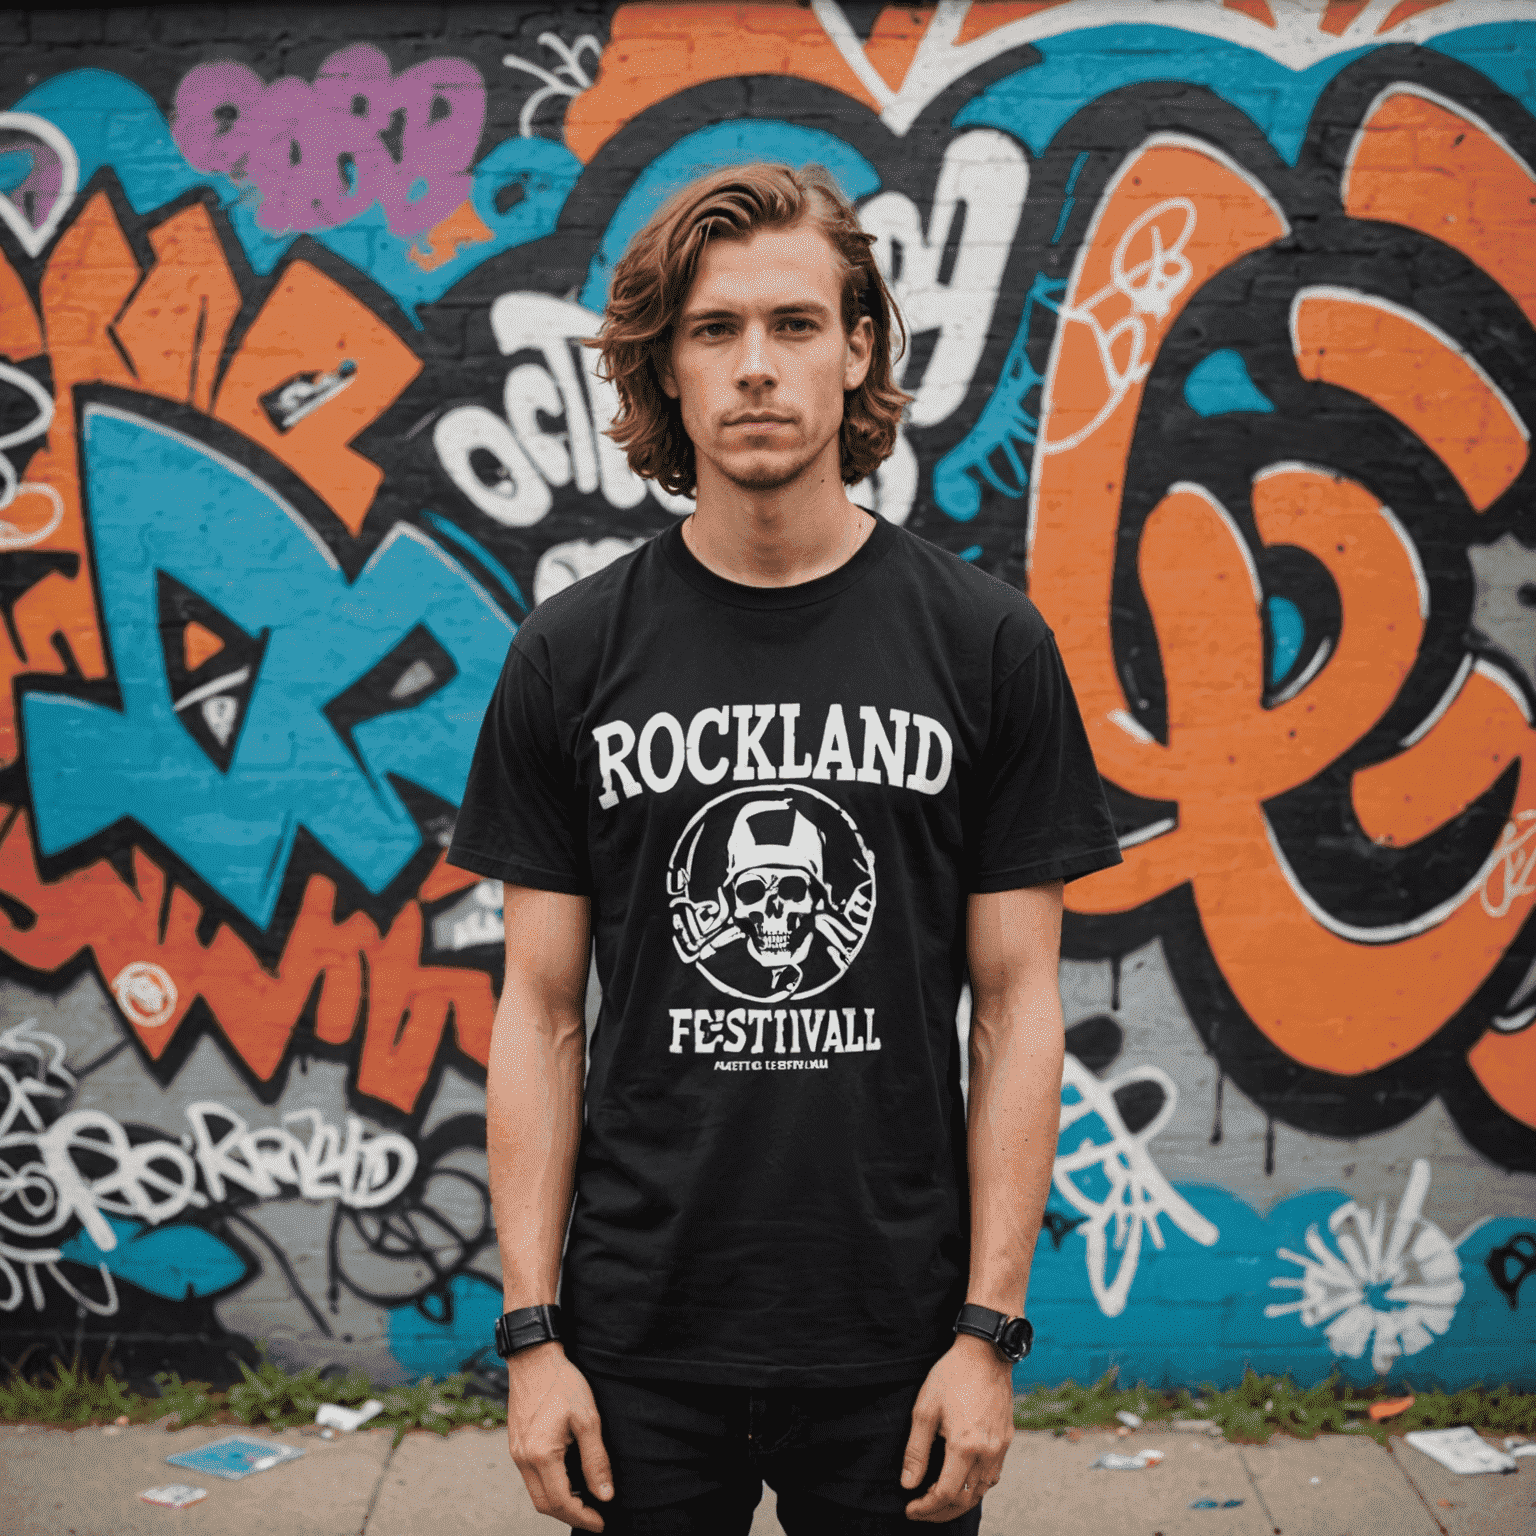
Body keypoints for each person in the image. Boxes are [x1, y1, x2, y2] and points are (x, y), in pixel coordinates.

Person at [447, 162, 1122, 1535]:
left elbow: (1017, 1007)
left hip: (897, 1339)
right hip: (636, 1339)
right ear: (665, 368)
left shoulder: (986, 646)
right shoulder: (570, 656)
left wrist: (988, 1334)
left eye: (796, 324)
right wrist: (533, 1339)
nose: (757, 368)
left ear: (858, 345)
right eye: (715, 330)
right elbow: (537, 1008)